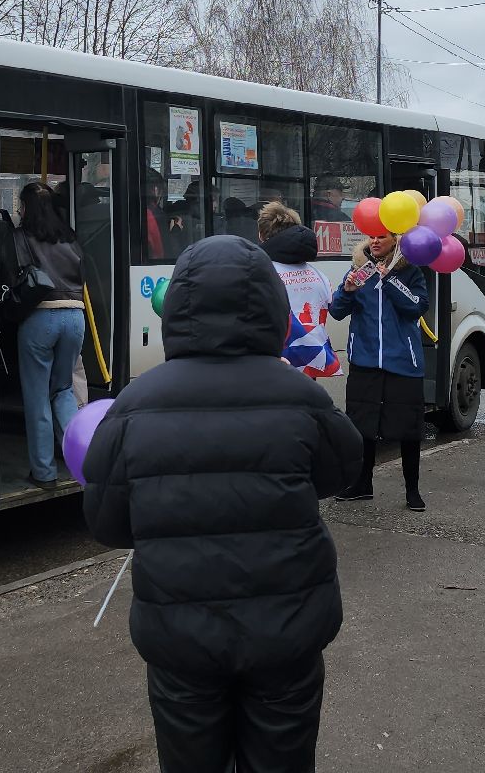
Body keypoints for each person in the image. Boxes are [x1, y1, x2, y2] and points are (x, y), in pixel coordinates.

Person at [83, 235, 362, 773]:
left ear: (177, 309)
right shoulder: (301, 396)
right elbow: (340, 473)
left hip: (181, 636)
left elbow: (107, 523)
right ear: (271, 308)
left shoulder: (134, 404)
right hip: (288, 626)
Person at [329, 228, 430, 510]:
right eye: (371, 236)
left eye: (381, 236)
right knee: (363, 427)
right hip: (365, 361)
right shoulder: (358, 269)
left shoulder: (411, 272)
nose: (375, 241)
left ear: (395, 240)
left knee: (409, 429)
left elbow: (417, 307)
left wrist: (389, 279)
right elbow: (337, 310)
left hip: (403, 363)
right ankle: (362, 484)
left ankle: (412, 490)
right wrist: (347, 290)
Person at [11, 181, 88, 488]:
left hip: (41, 318)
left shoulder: (21, 236)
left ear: (26, 208)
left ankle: (43, 472)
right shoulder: (69, 236)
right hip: (75, 316)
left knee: (37, 397)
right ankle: (85, 462)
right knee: (64, 390)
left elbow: (15, 274)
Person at [257, 202, 339, 377]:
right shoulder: (318, 274)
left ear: (261, 235)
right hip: (310, 360)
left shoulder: (263, 271)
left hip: (275, 362)